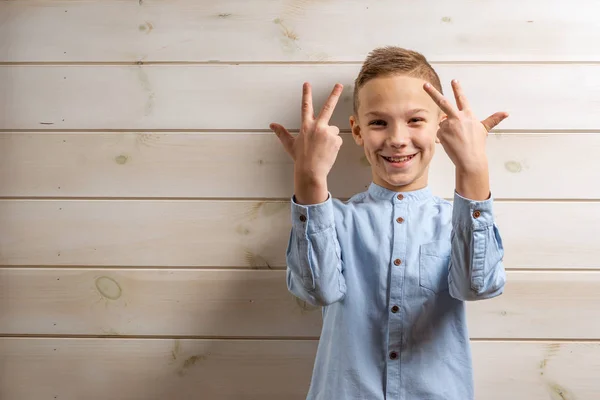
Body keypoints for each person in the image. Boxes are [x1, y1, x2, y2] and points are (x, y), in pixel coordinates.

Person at [269, 46, 508, 400]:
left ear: (442, 128)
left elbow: (478, 287)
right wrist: (309, 180)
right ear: (358, 130)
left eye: (414, 120)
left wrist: (473, 168)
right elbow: (317, 291)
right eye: (379, 122)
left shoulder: (457, 222)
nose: (397, 139)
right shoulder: (330, 219)